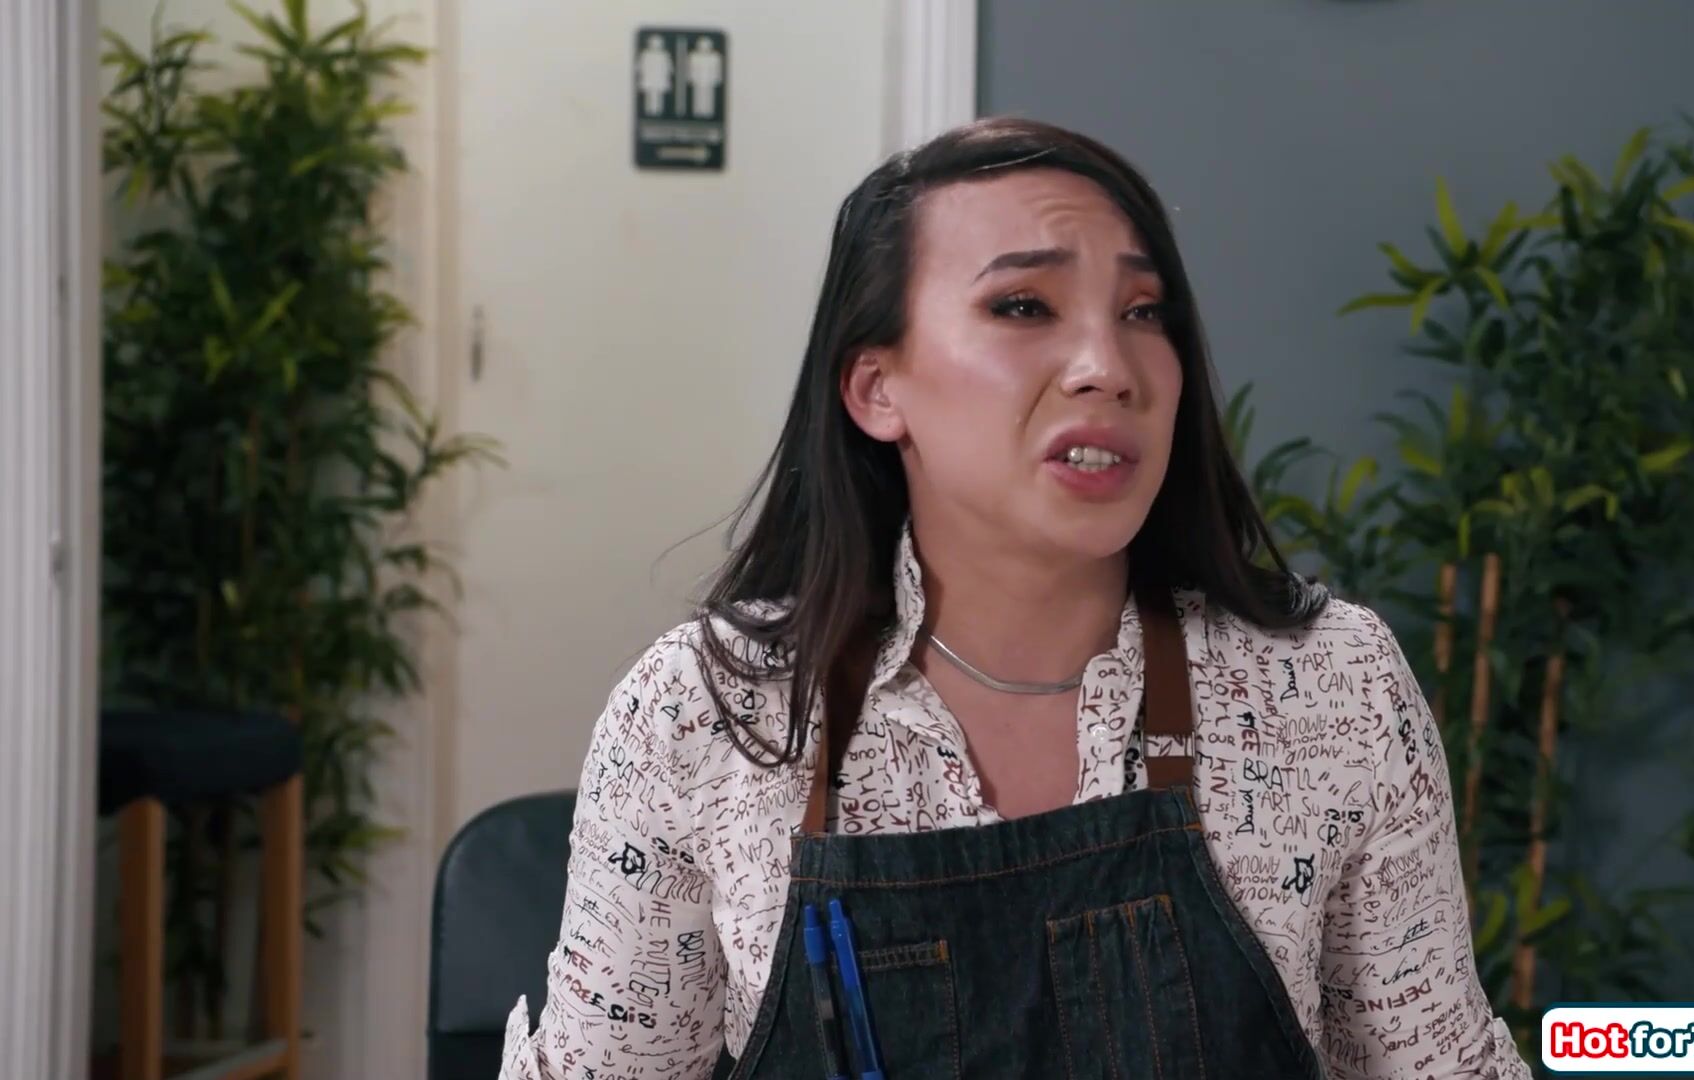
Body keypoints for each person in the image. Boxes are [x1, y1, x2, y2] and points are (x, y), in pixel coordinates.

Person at [499, 117, 1530, 1079]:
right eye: (1024, 307)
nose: (1107, 368)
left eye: (1143, 313)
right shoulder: (704, 712)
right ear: (877, 389)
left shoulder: (1330, 684)